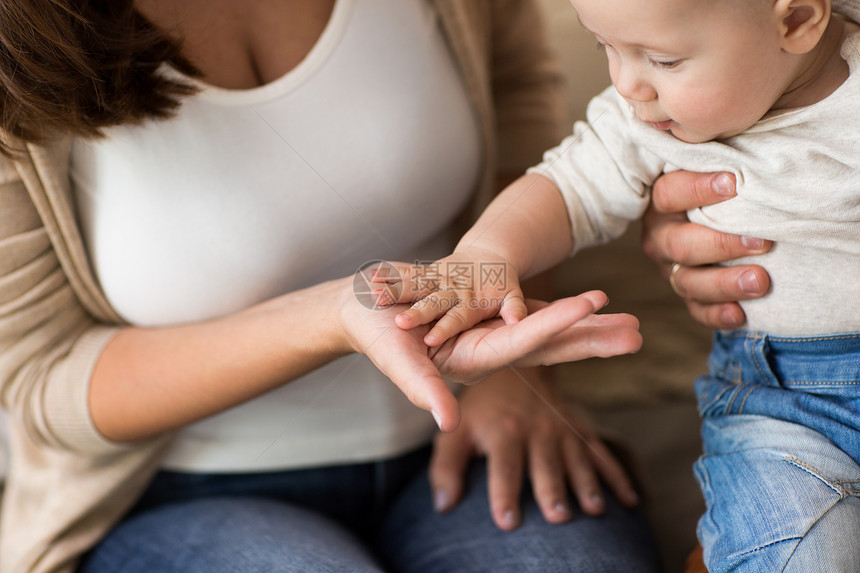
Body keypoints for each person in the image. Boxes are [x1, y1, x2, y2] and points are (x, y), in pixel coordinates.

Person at [0, 1, 762, 571]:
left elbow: (521, 108)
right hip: (183, 491)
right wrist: (332, 315)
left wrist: (515, 370)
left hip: (473, 436)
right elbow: (40, 380)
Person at [392, 0, 860, 570]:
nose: (627, 84)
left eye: (663, 59)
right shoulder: (644, 121)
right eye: (606, 47)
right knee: (797, 551)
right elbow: (567, 189)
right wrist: (484, 257)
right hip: (782, 405)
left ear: (796, 20)